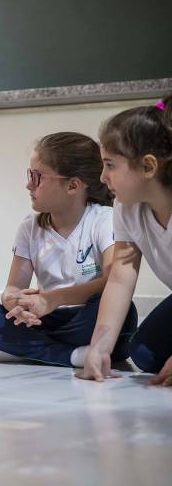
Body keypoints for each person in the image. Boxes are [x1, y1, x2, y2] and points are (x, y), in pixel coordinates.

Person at [0, 132, 137, 366]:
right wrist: (13, 301)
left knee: (124, 312)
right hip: (45, 318)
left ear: (72, 185)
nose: (28, 184)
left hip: (89, 317)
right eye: (30, 175)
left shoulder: (103, 220)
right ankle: (70, 355)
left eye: (37, 177)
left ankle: (22, 348)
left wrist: (52, 299)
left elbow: (113, 280)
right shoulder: (29, 227)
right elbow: (14, 287)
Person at [78, 96, 172, 385]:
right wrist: (99, 347)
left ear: (148, 167)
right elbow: (120, 276)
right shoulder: (127, 206)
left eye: (110, 165)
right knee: (145, 354)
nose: (103, 177)